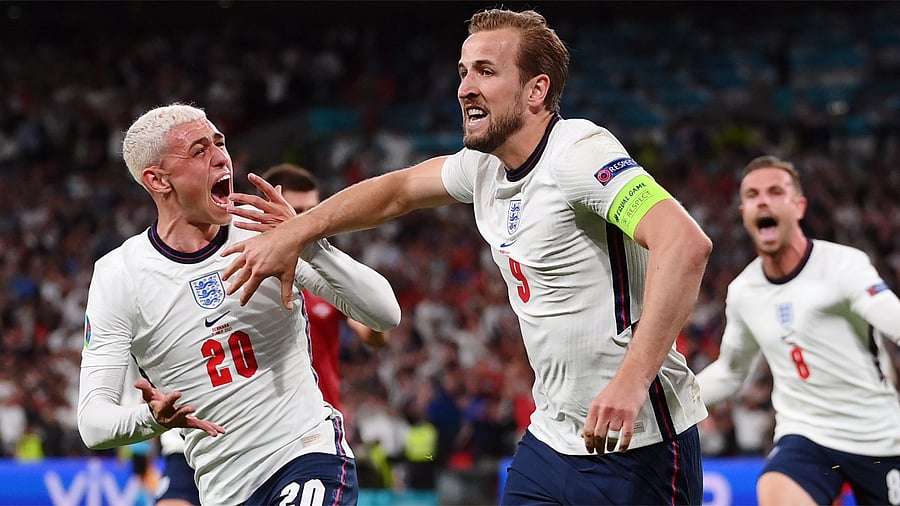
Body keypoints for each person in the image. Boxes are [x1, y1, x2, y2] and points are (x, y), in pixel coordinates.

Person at [222, 8, 712, 505]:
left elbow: (685, 243)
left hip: (639, 440)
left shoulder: (579, 154)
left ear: (536, 91)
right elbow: (398, 190)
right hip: (551, 439)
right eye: (463, 72)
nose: (464, 88)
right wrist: (300, 229)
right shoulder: (483, 167)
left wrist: (631, 382)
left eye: (486, 71)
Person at [76, 103, 402, 505]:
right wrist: (152, 420)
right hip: (224, 489)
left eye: (220, 142)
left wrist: (306, 239)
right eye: (199, 151)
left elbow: (386, 314)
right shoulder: (119, 275)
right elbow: (93, 424)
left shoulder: (261, 229)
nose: (220, 157)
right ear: (157, 180)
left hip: (306, 453)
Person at [695, 155, 900, 505]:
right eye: (753, 194)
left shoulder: (843, 264)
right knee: (776, 492)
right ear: (743, 211)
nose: (763, 200)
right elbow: (731, 373)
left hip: (879, 437)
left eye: (776, 191)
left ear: (799, 206)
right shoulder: (744, 291)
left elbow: (891, 317)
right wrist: (661, 407)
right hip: (806, 436)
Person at [261, 163, 389, 411]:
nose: (306, 222)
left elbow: (374, 334)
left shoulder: (326, 272)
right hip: (265, 420)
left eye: (312, 211)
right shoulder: (242, 269)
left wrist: (375, 321)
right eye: (296, 211)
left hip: (323, 415)